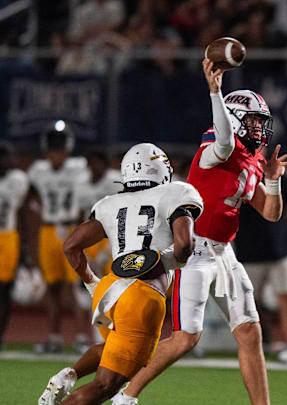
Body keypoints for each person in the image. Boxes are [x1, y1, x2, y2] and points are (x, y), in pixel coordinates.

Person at [114, 59, 287, 405]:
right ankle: (126, 395)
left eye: (261, 122)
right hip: (193, 252)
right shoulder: (216, 151)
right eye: (253, 120)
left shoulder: (252, 162)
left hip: (225, 253)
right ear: (236, 119)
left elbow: (270, 213)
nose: (259, 128)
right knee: (185, 338)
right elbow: (223, 138)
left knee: (251, 333)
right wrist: (216, 92)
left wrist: (273, 180)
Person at [37, 143, 202, 405]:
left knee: (115, 345)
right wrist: (167, 262)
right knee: (106, 386)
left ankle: (69, 375)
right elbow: (184, 244)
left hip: (109, 288)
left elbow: (71, 246)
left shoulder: (109, 203)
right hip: (142, 295)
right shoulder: (177, 192)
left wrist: (92, 283)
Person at [27, 122, 92, 353]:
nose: (56, 156)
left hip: (71, 228)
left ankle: (82, 336)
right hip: (48, 230)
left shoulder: (78, 168)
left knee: (75, 286)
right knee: (52, 286)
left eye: (60, 150)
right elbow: (31, 196)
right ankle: (54, 337)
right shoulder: (38, 170)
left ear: (67, 150)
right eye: (53, 151)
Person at [236, 174, 287, 368]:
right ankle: (250, 347)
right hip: (249, 247)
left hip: (279, 248)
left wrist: (286, 234)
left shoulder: (278, 174)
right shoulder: (239, 171)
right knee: (247, 302)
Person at [0, 143, 30, 349]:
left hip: (7, 237)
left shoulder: (17, 180)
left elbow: (22, 213)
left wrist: (26, 247)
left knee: (4, 290)